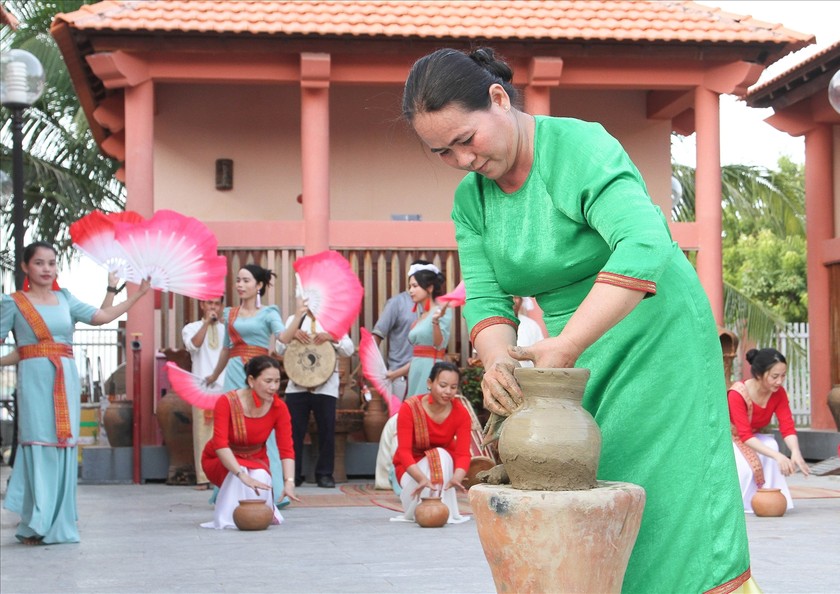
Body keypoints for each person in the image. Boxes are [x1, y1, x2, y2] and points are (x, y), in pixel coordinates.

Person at [402, 47, 752, 592]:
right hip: (569, 347)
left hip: (653, 327)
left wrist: (567, 345)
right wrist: (496, 363)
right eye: (442, 152)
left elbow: (643, 242)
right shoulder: (472, 201)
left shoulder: (577, 146)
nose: (464, 160)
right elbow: (488, 299)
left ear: (499, 99)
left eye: (467, 140)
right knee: (585, 488)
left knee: (658, 491)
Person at [0, 241, 151, 544]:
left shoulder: (65, 298)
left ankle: (59, 523)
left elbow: (102, 317)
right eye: (40, 263)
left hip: (65, 378)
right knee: (38, 442)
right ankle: (35, 523)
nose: (46, 269)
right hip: (35, 381)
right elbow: (21, 350)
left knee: (63, 443)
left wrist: (137, 294)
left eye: (52, 263)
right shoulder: (13, 303)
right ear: (25, 267)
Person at [205, 264, 297, 505]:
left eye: (246, 281)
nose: (240, 285)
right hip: (234, 373)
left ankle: (275, 488)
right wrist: (215, 375)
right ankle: (230, 488)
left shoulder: (269, 313)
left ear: (258, 285)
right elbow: (227, 347)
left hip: (257, 375)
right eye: (238, 280)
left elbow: (284, 338)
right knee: (231, 431)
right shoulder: (230, 313)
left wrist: (300, 315)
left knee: (262, 430)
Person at [200, 356, 299, 529]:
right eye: (268, 381)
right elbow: (220, 444)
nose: (274, 387)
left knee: (260, 477)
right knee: (240, 477)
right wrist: (241, 475)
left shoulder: (279, 408)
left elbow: (286, 449)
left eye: (277, 381)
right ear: (251, 380)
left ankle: (259, 514)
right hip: (221, 458)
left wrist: (289, 482)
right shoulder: (227, 402)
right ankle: (229, 518)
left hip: (255, 459)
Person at [278, 300, 355, 488]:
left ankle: (325, 474)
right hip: (297, 385)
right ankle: (293, 475)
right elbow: (280, 348)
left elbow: (349, 348)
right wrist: (292, 334)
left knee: (326, 430)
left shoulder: (333, 321)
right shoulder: (292, 320)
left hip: (326, 386)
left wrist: (331, 336)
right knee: (293, 432)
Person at [728, 348, 809, 513]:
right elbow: (744, 435)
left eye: (783, 376)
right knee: (745, 467)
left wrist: (795, 451)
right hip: (730, 438)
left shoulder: (778, 393)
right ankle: (743, 506)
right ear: (759, 374)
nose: (780, 381)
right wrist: (778, 457)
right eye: (774, 376)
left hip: (751, 437)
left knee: (772, 444)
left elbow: (787, 426)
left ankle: (772, 500)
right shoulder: (737, 394)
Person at [391, 361, 471, 525]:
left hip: (443, 470)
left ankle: (439, 510)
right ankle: (425, 508)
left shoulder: (461, 413)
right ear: (429, 383)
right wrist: (421, 478)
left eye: (453, 387)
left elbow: (463, 453)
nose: (448, 392)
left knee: (441, 455)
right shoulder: (409, 408)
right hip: (411, 471)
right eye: (443, 385)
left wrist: (457, 478)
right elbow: (404, 452)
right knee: (438, 455)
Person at [181, 296, 226, 490]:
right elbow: (194, 345)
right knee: (203, 434)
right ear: (202, 304)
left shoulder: (226, 330)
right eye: (210, 303)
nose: (213, 307)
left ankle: (223, 474)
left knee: (224, 435)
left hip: (225, 388)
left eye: (216, 303)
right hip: (201, 389)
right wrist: (207, 322)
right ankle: (203, 477)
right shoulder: (190, 328)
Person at [405, 261, 453, 398]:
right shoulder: (420, 316)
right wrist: (394, 374)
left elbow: (439, 344)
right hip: (416, 368)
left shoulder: (441, 310)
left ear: (430, 288)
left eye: (415, 286)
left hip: (430, 368)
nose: (411, 290)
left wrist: (435, 321)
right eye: (410, 286)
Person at [371, 282, 416, 401]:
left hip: (426, 373)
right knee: (399, 417)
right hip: (400, 376)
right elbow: (378, 334)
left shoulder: (435, 307)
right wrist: (372, 365)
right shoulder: (397, 302)